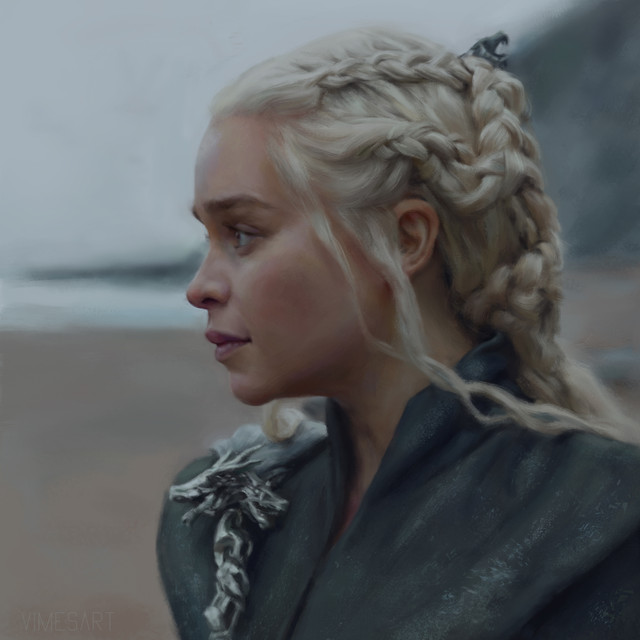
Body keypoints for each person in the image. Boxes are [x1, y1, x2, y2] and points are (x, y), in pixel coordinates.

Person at [156, 28, 640, 640]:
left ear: (404, 238)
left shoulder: (605, 527)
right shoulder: (218, 517)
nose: (200, 287)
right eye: (209, 237)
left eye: (243, 234)